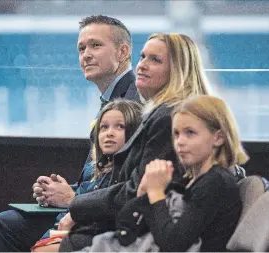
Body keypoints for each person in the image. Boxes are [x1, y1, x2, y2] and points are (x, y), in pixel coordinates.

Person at [0, 15, 140, 252]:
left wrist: (73, 199)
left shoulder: (134, 102)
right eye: (81, 48)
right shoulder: (112, 98)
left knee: (4, 227)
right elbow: (101, 176)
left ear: (123, 52)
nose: (86, 54)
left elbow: (121, 183)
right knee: (5, 223)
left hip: (105, 220)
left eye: (96, 45)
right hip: (87, 206)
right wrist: (62, 192)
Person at [59, 33, 211, 251]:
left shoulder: (168, 118)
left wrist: (77, 206)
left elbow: (137, 189)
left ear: (178, 71)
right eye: (142, 57)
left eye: (155, 60)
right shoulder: (163, 113)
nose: (141, 66)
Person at [82, 95, 249, 252]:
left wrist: (156, 193)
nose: (180, 142)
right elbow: (126, 229)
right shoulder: (191, 179)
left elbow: (173, 244)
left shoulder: (215, 182)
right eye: (176, 134)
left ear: (218, 138)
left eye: (190, 133)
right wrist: (143, 195)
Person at [31, 99, 143, 252]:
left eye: (120, 126)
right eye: (104, 127)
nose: (109, 133)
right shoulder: (100, 171)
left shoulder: (129, 174)